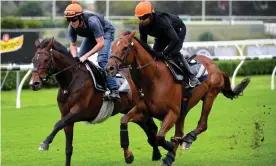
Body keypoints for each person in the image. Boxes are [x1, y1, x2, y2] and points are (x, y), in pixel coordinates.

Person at [135, 1, 201, 89]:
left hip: (177, 33)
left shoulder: (162, 21)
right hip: (162, 36)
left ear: (151, 15)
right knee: (154, 56)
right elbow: (143, 44)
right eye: (140, 18)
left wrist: (164, 53)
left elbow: (175, 39)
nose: (142, 20)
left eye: (144, 17)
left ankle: (192, 78)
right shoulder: (142, 26)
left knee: (172, 53)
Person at [64, 1, 120, 100]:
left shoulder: (92, 21)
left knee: (102, 60)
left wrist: (86, 56)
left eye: (74, 19)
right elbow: (73, 45)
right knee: (78, 62)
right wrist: (74, 58)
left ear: (81, 17)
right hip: (91, 36)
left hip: (106, 32)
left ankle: (114, 90)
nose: (72, 22)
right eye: (69, 19)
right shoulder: (71, 27)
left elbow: (101, 43)